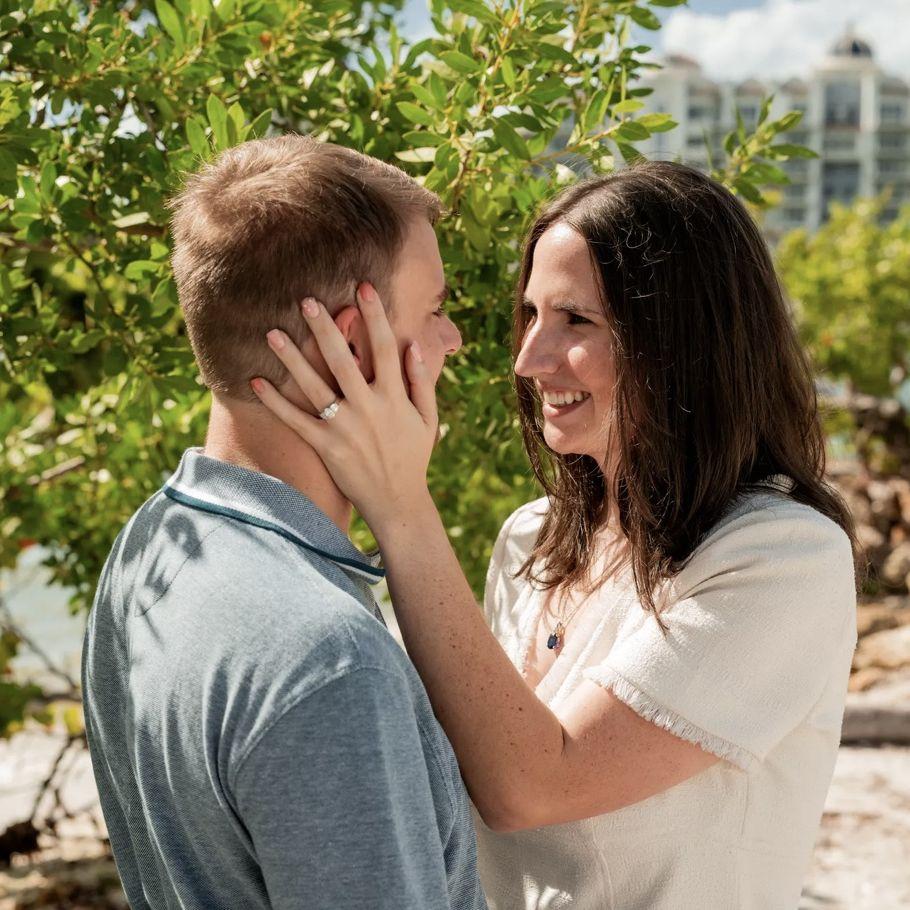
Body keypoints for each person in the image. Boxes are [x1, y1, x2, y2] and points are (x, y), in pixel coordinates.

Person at [252, 161, 860, 910]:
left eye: (576, 321)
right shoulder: (531, 539)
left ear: (684, 340)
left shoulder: (784, 560)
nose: (529, 360)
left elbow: (530, 787)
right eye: (531, 315)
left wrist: (400, 506)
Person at [81, 135, 487, 910]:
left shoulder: (149, 550)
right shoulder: (328, 659)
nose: (452, 338)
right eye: (434, 310)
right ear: (352, 345)